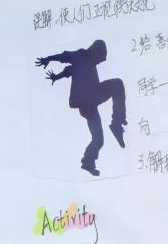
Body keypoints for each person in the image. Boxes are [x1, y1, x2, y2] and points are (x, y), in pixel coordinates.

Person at [36, 40, 127, 177]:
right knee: (117, 84)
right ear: (95, 52)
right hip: (88, 98)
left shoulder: (84, 64)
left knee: (98, 140)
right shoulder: (82, 55)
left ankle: (87, 162)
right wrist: (49, 58)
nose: (99, 63)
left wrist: (56, 76)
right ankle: (116, 124)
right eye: (100, 59)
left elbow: (68, 71)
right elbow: (65, 56)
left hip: (89, 105)